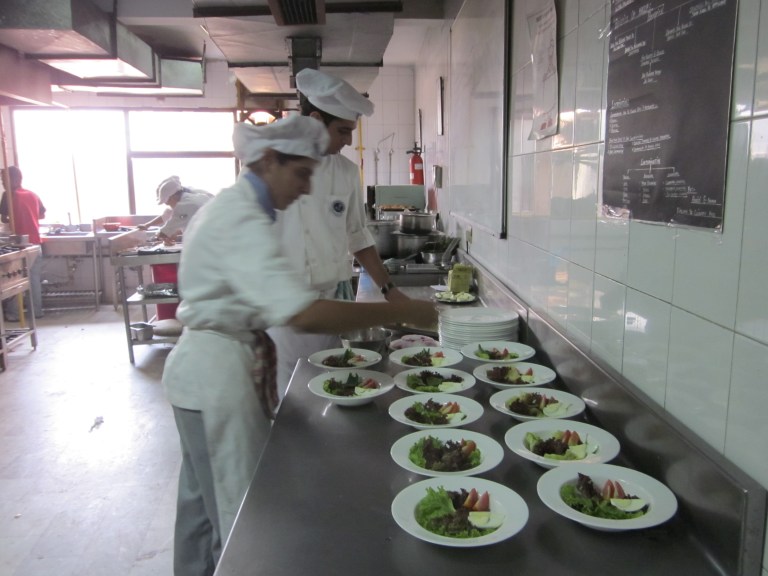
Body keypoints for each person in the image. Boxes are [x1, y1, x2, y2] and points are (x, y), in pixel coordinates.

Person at [161, 114, 437, 576]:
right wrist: (399, 310)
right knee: (236, 510)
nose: (307, 188)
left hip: (203, 372)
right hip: (215, 380)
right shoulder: (238, 218)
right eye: (302, 173)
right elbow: (303, 313)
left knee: (198, 507)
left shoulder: (237, 209)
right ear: (269, 160)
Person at [268, 68, 409, 399]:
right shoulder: (269, 167)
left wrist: (391, 291)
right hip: (284, 312)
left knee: (330, 388)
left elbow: (358, 236)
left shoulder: (345, 172)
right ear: (315, 119)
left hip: (331, 306)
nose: (348, 140)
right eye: (343, 131)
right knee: (291, 401)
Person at [0, 166, 46, 322]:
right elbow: (42, 214)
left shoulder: (8, 196)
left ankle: (13, 314)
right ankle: (37, 312)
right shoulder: (32, 195)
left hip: (19, 245)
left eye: (3, 179)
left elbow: (4, 219)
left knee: (14, 280)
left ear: (14, 179)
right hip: (35, 243)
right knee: (33, 280)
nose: (2, 183)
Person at [138, 175, 214, 245]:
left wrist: (161, 235)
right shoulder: (185, 196)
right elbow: (168, 214)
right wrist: (147, 225)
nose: (167, 204)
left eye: (167, 202)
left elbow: (166, 230)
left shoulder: (187, 204)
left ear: (173, 197)